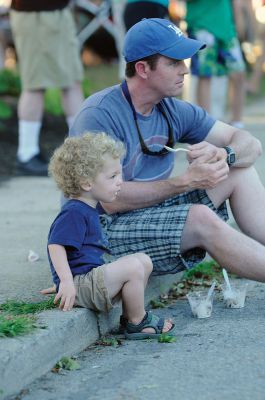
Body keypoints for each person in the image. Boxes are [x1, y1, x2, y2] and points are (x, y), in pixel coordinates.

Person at [69, 18, 265, 285]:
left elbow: (250, 144)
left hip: (148, 211)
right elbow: (110, 200)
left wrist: (226, 155)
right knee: (199, 218)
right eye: (174, 63)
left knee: (238, 171)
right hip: (99, 233)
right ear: (143, 69)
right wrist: (185, 182)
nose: (185, 70)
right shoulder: (100, 114)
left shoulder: (172, 107)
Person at [47, 131, 175, 340]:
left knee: (143, 260)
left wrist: (62, 280)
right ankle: (137, 321)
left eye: (120, 174)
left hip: (87, 281)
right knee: (133, 266)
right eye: (113, 176)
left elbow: (73, 255)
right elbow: (56, 245)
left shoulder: (88, 208)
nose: (120, 182)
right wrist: (65, 281)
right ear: (87, 183)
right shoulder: (74, 211)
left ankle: (129, 318)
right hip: (81, 285)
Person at [10, 0, 84, 176]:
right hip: (37, 15)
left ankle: (83, 149)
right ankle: (26, 153)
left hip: (55, 12)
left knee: (72, 81)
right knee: (35, 85)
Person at [185, 0, 246, 128]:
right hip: (202, 23)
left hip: (226, 27)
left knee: (239, 74)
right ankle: (206, 125)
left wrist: (238, 17)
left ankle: (237, 122)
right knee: (205, 74)